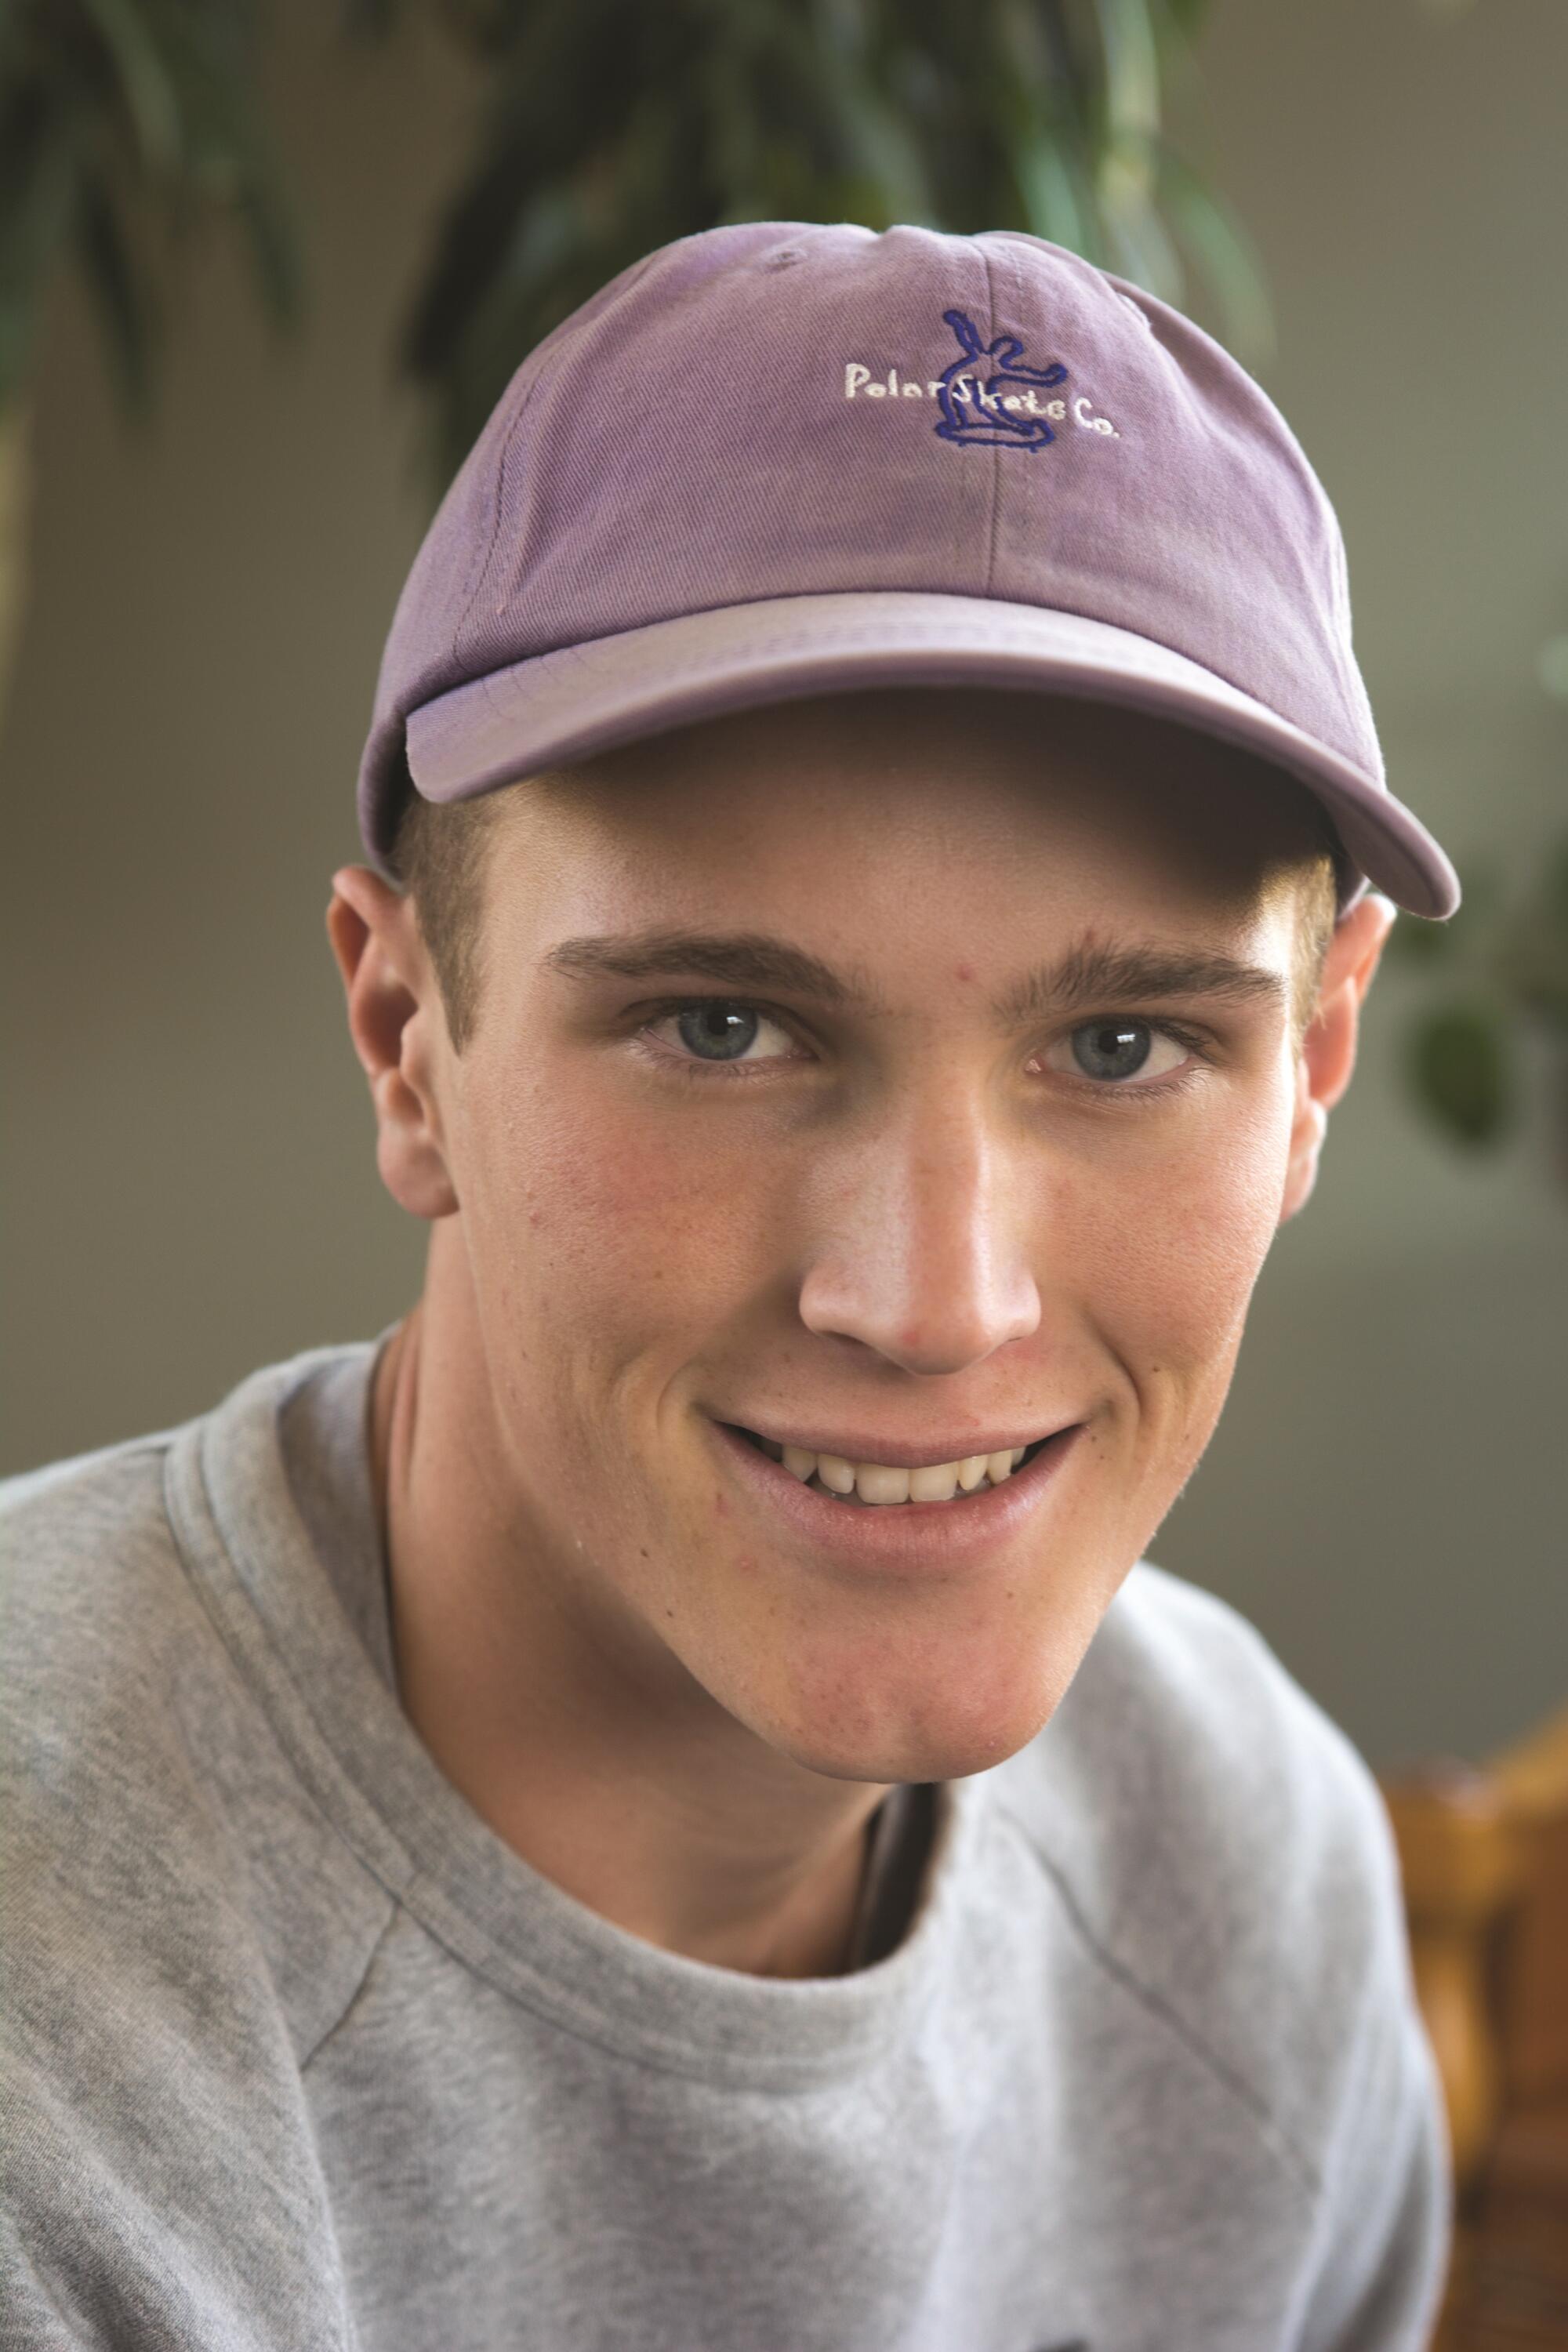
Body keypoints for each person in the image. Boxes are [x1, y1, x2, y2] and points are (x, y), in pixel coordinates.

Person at [1, 223, 1459, 2351]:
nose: (935, 1301)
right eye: (721, 1029)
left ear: (1314, 1065)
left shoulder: (1243, 1861)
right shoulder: (55, 2037)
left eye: (1127, 1047)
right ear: (411, 1037)